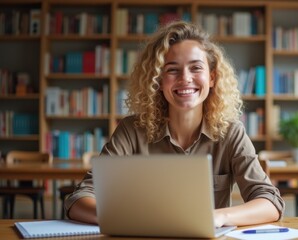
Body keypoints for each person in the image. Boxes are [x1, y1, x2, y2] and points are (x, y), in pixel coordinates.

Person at [65, 21, 285, 227]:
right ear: (158, 80)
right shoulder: (131, 130)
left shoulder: (231, 132)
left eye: (196, 68)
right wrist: (134, 220)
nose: (185, 78)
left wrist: (218, 216)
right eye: (172, 69)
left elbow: (270, 202)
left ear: (212, 78)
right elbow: (79, 200)